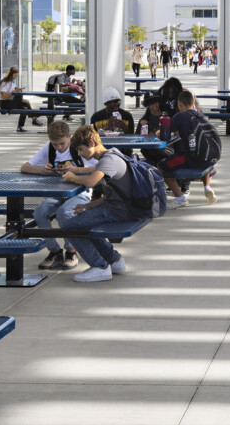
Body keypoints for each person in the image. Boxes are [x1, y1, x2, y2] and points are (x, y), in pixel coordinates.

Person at [57, 126, 150, 283]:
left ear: (91, 143)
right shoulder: (113, 153)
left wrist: (72, 177)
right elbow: (111, 194)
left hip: (120, 211)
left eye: (80, 149)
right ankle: (115, 261)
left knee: (70, 226)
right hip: (123, 207)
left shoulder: (108, 161)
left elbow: (90, 181)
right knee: (84, 222)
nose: (79, 154)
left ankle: (100, 267)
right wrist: (87, 206)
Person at [20, 120, 89, 270]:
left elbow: (97, 169)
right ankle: (54, 251)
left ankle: (71, 250)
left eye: (62, 144)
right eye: (55, 144)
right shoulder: (48, 149)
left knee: (65, 213)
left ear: (69, 137)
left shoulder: (79, 148)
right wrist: (41, 170)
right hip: (56, 192)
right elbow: (25, 167)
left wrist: (75, 171)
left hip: (79, 192)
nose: (58, 147)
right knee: (39, 212)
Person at [161, 91, 218, 206]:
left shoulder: (180, 116)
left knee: (162, 166)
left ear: (179, 104)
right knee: (201, 158)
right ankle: (207, 187)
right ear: (193, 103)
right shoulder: (201, 115)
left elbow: (163, 134)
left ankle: (180, 197)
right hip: (210, 157)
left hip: (192, 158)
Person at [0, 66, 35, 131]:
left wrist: (17, 90)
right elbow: (4, 97)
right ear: (11, 75)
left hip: (10, 102)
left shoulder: (11, 83)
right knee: (23, 100)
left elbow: (11, 94)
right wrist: (14, 92)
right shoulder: (4, 83)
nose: (15, 77)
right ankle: (34, 119)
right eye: (15, 75)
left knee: (25, 105)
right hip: (4, 104)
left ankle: (21, 126)